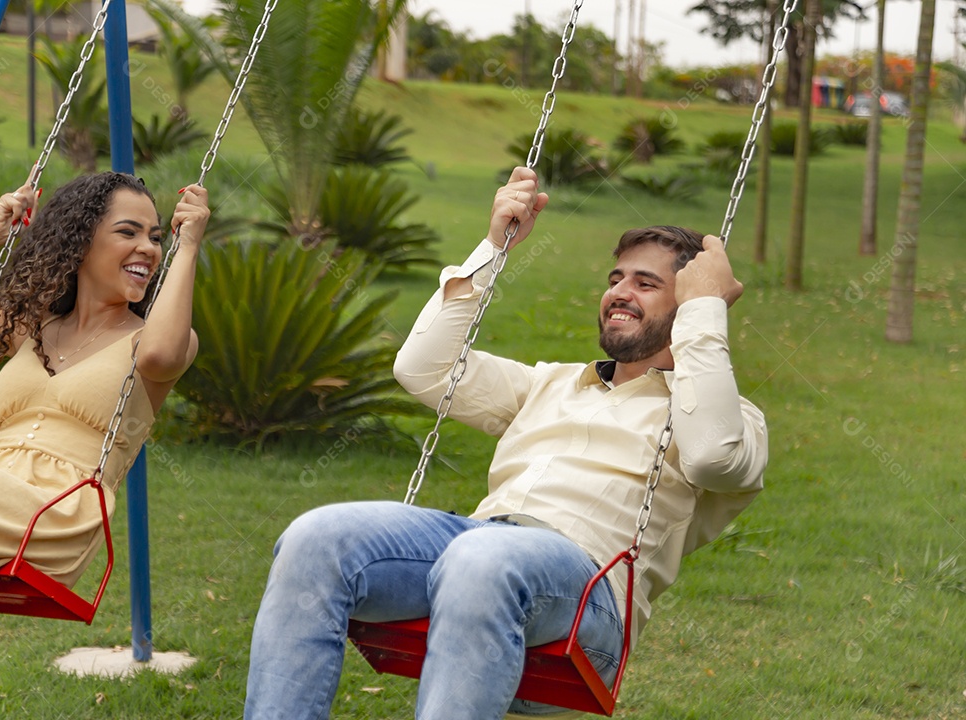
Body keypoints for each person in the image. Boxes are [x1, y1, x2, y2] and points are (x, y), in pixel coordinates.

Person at [241, 166, 769, 720]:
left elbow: (712, 456)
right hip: (478, 544)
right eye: (616, 278)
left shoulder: (727, 420)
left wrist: (706, 310)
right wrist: (494, 247)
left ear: (687, 307)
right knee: (317, 538)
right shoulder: (550, 382)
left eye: (645, 283)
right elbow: (423, 368)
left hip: (585, 597)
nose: (619, 292)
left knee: (483, 557)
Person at [0, 169, 209, 718]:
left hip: (54, 517)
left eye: (156, 236)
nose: (147, 248)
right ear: (81, 241)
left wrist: (190, 246)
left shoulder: (153, 341)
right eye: (128, 232)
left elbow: (159, 358)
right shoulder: (26, 327)